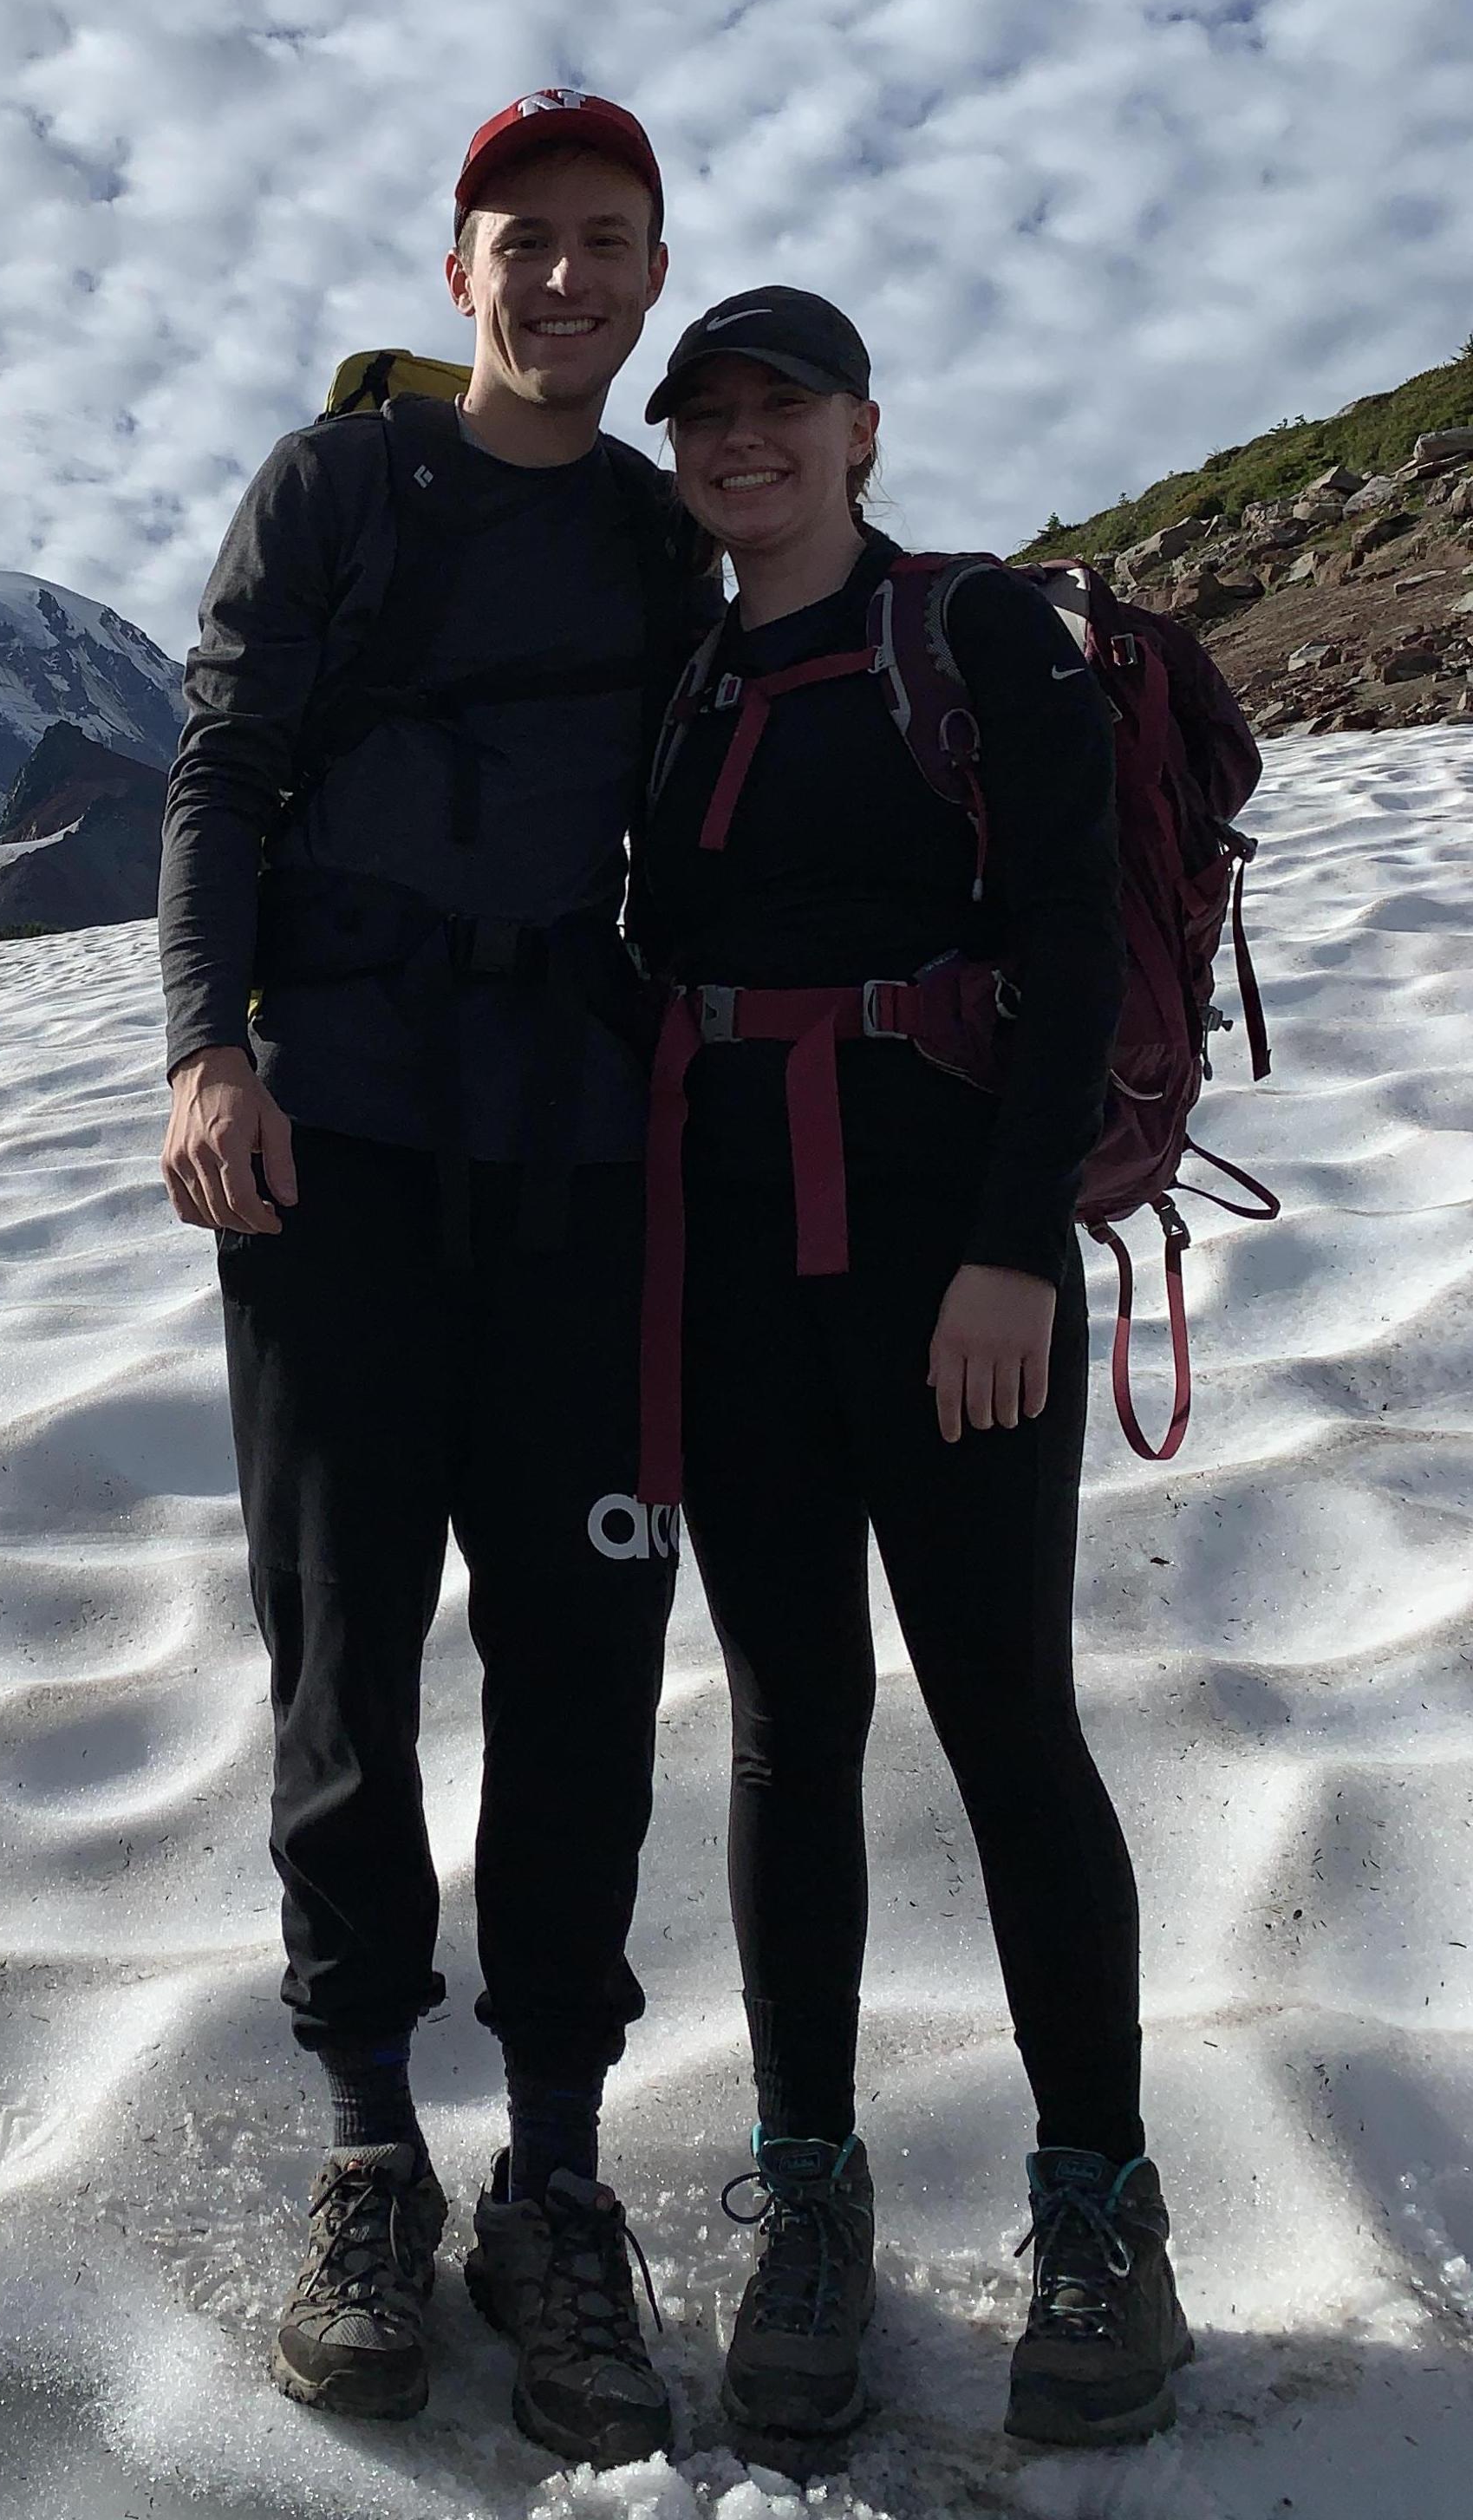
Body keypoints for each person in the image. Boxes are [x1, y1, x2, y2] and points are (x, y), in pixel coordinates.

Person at [155, 91, 715, 2467]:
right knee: (344, 1635)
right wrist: (207, 1049)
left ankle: (559, 2173)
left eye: (612, 241)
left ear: (653, 270)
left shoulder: (657, 535)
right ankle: (375, 2141)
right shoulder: (340, 488)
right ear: (461, 259)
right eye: (532, 240)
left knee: (583, 1659)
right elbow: (223, 772)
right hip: (341, 1142)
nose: (570, 277)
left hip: (581, 1161)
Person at [634, 286, 1190, 2449]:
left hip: (955, 1271)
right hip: (743, 1269)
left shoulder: (970, 639)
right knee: (787, 1725)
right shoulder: (681, 682)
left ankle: (1100, 2213)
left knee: (1002, 1717)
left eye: (781, 408)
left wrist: (1008, 1249)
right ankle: (805, 2199)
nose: (740, 439)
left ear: (864, 431)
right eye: (709, 413)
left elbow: (1060, 940)